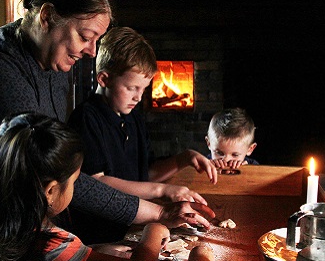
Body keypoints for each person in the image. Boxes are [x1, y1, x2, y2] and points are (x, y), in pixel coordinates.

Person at [0, 0, 215, 261]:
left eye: (97, 40)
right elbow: (52, 168)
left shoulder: (51, 53)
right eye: (86, 37)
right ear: (47, 16)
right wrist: (159, 213)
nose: (92, 51)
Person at [67, 26, 218, 244]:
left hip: (133, 224)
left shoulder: (133, 116)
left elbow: (144, 174)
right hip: (99, 235)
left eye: (143, 89)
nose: (138, 97)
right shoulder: (86, 118)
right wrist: (163, 190)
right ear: (104, 79)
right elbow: (96, 183)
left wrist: (183, 159)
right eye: (131, 88)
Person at [0, 112, 172, 261]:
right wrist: (152, 233)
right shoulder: (52, 244)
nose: (74, 187)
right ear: (51, 191)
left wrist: (92, 252)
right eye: (74, 181)